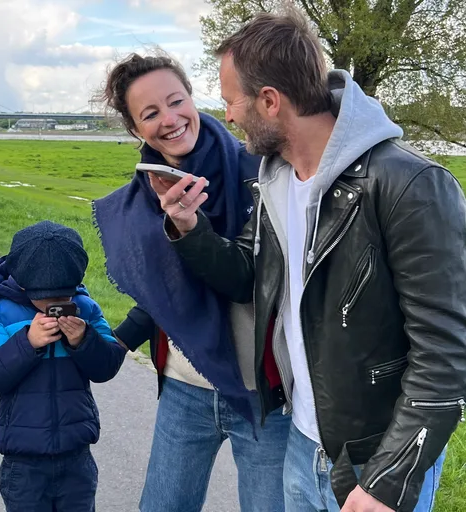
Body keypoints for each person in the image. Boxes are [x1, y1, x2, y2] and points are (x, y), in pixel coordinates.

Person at [153, 9, 466, 512]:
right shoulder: (274, 180)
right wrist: (189, 229)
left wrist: (389, 480)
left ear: (269, 101)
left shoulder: (410, 185)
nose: (228, 116)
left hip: (372, 460)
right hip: (300, 442)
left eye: (230, 101)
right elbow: (248, 276)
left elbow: (448, 353)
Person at [92, 52, 290, 512]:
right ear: (135, 129)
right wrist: (117, 341)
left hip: (264, 395)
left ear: (193, 98)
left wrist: (189, 228)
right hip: (184, 388)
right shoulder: (146, 194)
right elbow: (166, 290)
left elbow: (247, 282)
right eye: (150, 114)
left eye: (176, 101)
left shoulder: (259, 173)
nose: (170, 119)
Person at [0, 220, 127, 511]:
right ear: (22, 282)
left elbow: (107, 366)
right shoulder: (1, 313)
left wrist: (84, 340)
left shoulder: (87, 309)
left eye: (65, 296)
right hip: (23, 461)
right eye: (48, 299)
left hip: (76, 455)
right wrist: (27, 342)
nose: (58, 304)